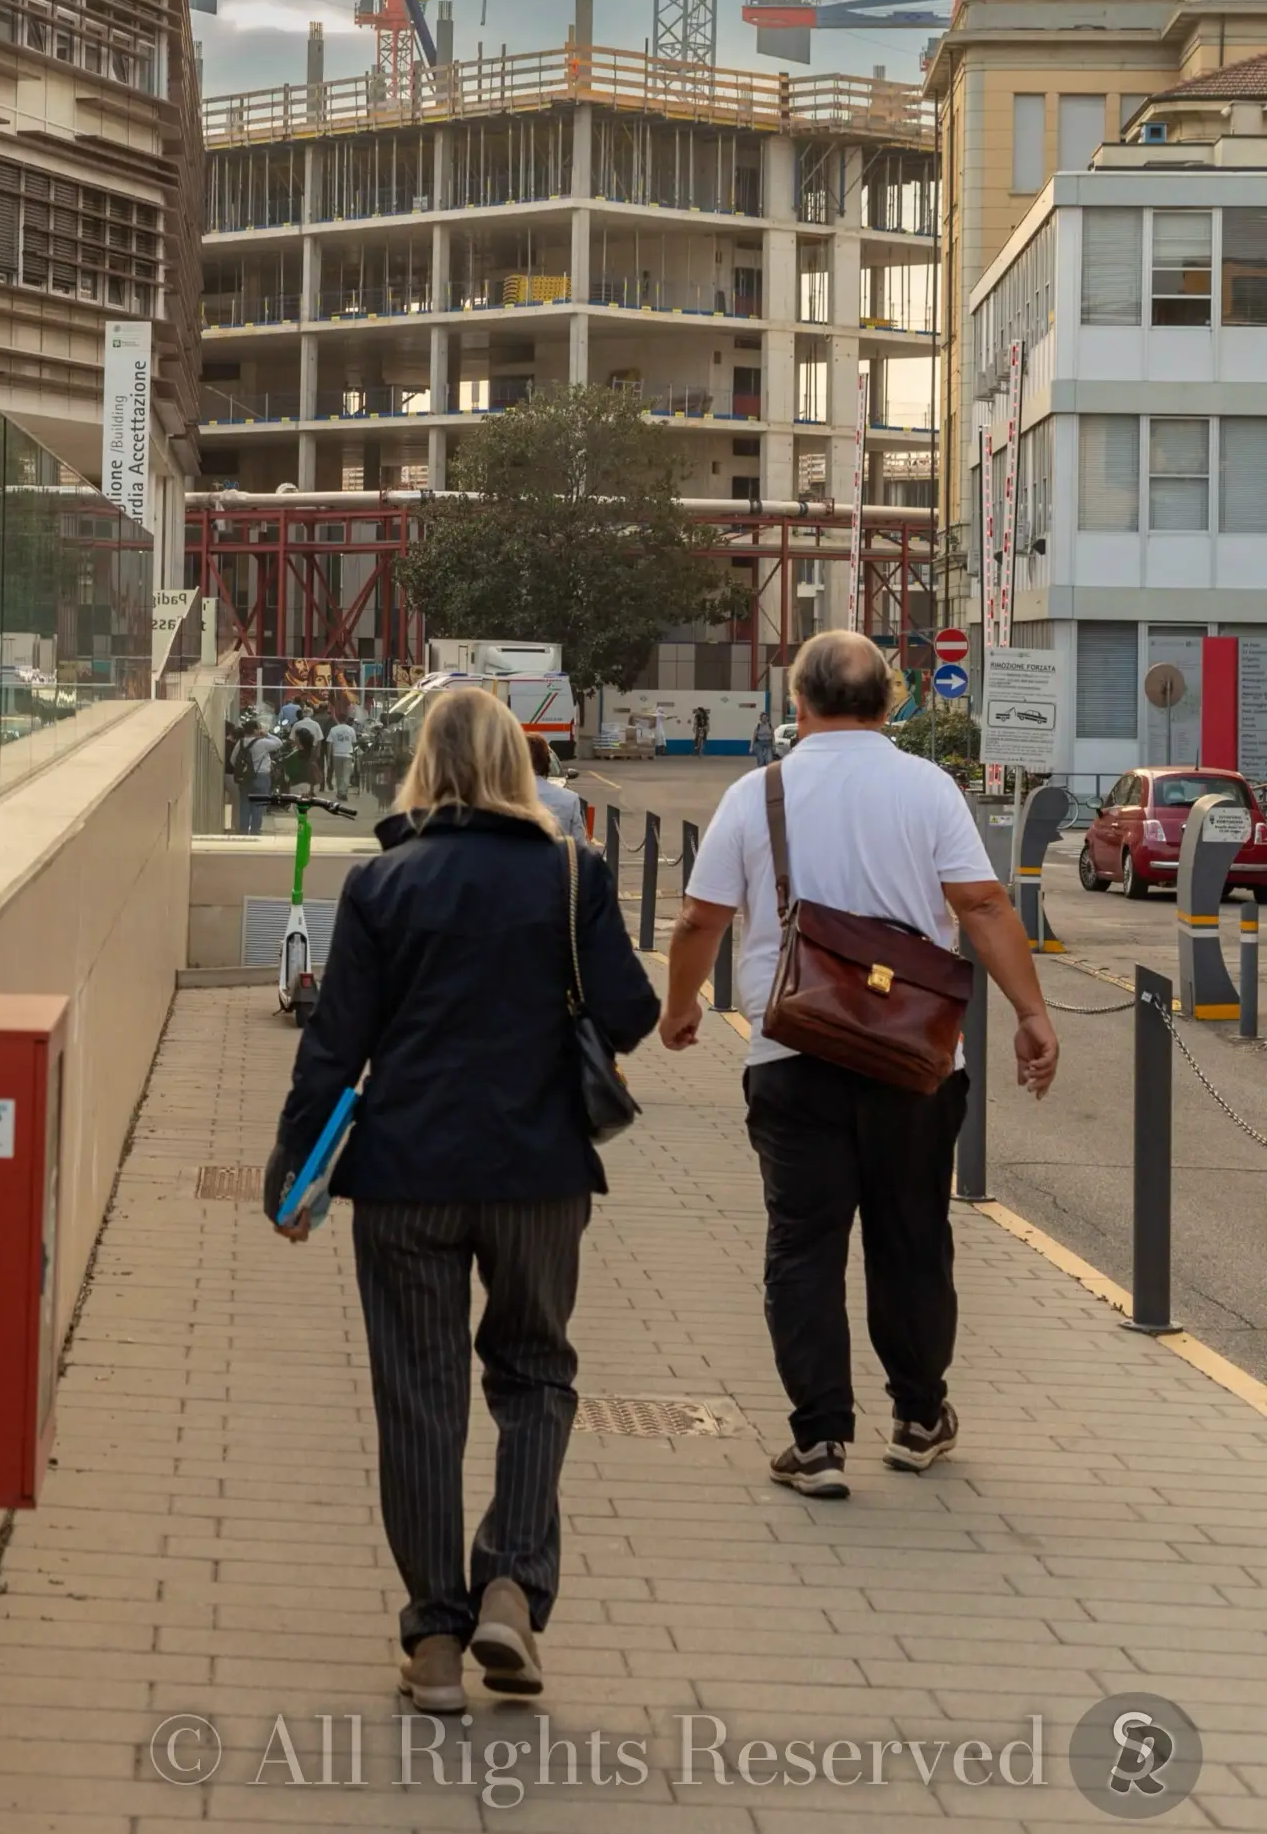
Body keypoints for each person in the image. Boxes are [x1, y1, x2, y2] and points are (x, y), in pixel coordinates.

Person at [266, 687, 658, 1714]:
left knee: (420, 1399)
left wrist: (292, 1169)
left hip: (405, 1178)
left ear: (422, 764)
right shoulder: (573, 874)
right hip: (540, 1176)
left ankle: (435, 1639)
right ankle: (513, 1590)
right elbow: (631, 1008)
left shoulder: (382, 883)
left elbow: (334, 1043)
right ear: (520, 767)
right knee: (535, 1376)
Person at [661, 629, 1058, 1498]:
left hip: (791, 1049)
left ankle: (818, 1444)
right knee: (912, 1235)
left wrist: (681, 1005)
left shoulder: (758, 791)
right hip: (913, 1058)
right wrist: (1031, 1014)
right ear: (890, 702)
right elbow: (983, 903)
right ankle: (919, 1419)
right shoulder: (929, 789)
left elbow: (699, 920)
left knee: (802, 1246)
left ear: (797, 703)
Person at [526, 731, 583, 839]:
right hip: (560, 855)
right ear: (547, 762)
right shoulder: (570, 799)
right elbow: (579, 846)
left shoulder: (502, 800)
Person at [238, 720, 283, 833]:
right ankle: (255, 831)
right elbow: (279, 743)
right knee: (258, 805)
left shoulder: (241, 743)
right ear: (255, 730)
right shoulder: (262, 743)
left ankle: (243, 831)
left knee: (245, 805)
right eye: (259, 728)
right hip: (262, 776)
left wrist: (245, 769)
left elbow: (233, 760)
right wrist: (266, 734)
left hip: (245, 778)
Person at [325, 712, 358, 802]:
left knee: (338, 775)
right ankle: (342, 792)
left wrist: (328, 757)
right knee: (346, 775)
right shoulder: (351, 730)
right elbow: (354, 743)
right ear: (346, 719)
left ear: (338, 719)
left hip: (337, 755)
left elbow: (329, 744)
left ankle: (341, 792)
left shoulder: (333, 729)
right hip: (348, 754)